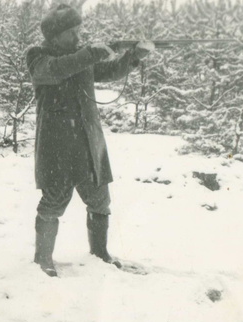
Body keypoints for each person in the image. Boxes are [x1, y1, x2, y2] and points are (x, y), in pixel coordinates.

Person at [26, 4, 152, 277]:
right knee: (54, 201)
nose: (77, 36)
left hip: (86, 141)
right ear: (54, 36)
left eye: (78, 31)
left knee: (99, 199)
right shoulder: (38, 56)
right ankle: (42, 258)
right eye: (72, 32)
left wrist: (132, 57)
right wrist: (91, 53)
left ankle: (100, 254)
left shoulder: (79, 57)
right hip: (57, 144)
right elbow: (54, 71)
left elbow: (109, 71)